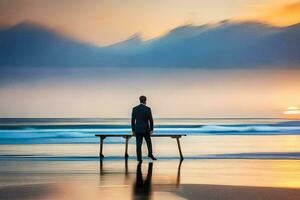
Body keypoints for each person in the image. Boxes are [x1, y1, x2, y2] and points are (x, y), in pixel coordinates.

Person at [131, 95, 157, 162]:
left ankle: (139, 158)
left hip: (138, 129)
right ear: (145, 101)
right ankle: (150, 154)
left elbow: (132, 120)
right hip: (146, 129)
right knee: (148, 142)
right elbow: (151, 120)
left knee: (138, 144)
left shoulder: (135, 109)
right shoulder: (147, 109)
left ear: (139, 100)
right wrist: (151, 129)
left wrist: (133, 130)